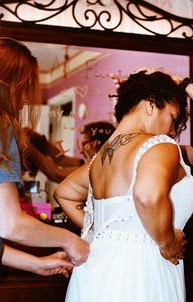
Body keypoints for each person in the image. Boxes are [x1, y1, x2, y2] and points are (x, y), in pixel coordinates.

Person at [54, 68, 193, 302]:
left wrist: (107, 232)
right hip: (144, 272)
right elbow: (147, 195)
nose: (172, 131)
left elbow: (64, 193)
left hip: (95, 268)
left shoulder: (99, 159)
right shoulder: (160, 146)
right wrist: (168, 242)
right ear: (151, 105)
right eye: (172, 117)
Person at [0, 37, 89, 282]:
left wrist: (35, 263)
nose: (26, 99)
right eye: (25, 87)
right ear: (7, 84)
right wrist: (71, 240)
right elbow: (10, 224)